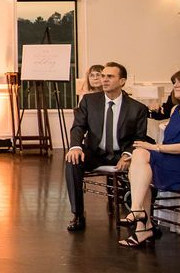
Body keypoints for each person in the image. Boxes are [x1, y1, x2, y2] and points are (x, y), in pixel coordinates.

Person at [121, 68, 180, 248]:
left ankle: (140, 220)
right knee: (140, 159)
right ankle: (141, 220)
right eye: (174, 82)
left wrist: (155, 147)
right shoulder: (175, 110)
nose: (176, 85)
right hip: (171, 160)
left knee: (141, 158)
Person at [63, 62, 148, 232]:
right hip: (95, 153)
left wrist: (128, 155)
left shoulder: (137, 108)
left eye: (110, 76)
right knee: (72, 160)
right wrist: (75, 147)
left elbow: (139, 138)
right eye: (103, 76)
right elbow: (78, 127)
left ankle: (143, 217)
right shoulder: (89, 101)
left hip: (120, 154)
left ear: (122, 81)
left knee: (147, 163)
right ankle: (77, 214)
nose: (104, 80)